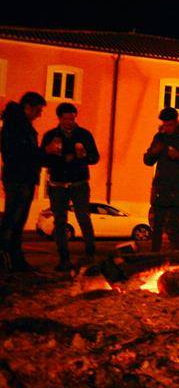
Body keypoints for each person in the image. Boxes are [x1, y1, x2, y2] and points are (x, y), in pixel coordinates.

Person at [40, 102, 100, 270]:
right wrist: (50, 153)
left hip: (79, 183)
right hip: (58, 184)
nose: (69, 122)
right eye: (66, 119)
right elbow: (42, 160)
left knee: (83, 218)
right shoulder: (51, 135)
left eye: (72, 118)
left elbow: (95, 158)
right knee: (60, 221)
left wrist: (82, 156)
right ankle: (64, 258)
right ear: (60, 118)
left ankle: (90, 254)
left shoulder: (84, 135)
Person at [143, 107, 179, 252]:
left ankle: (174, 251)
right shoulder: (160, 137)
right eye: (164, 125)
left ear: (176, 122)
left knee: (175, 223)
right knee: (157, 223)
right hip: (161, 186)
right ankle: (155, 252)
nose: (167, 128)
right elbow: (148, 161)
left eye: (169, 125)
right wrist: (153, 152)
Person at [0, 91, 46, 272]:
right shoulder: (16, 127)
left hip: (20, 177)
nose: (40, 114)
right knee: (13, 220)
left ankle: (14, 260)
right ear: (28, 107)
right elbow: (21, 154)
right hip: (19, 178)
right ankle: (8, 260)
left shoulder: (17, 124)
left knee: (16, 221)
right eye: (38, 110)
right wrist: (44, 152)